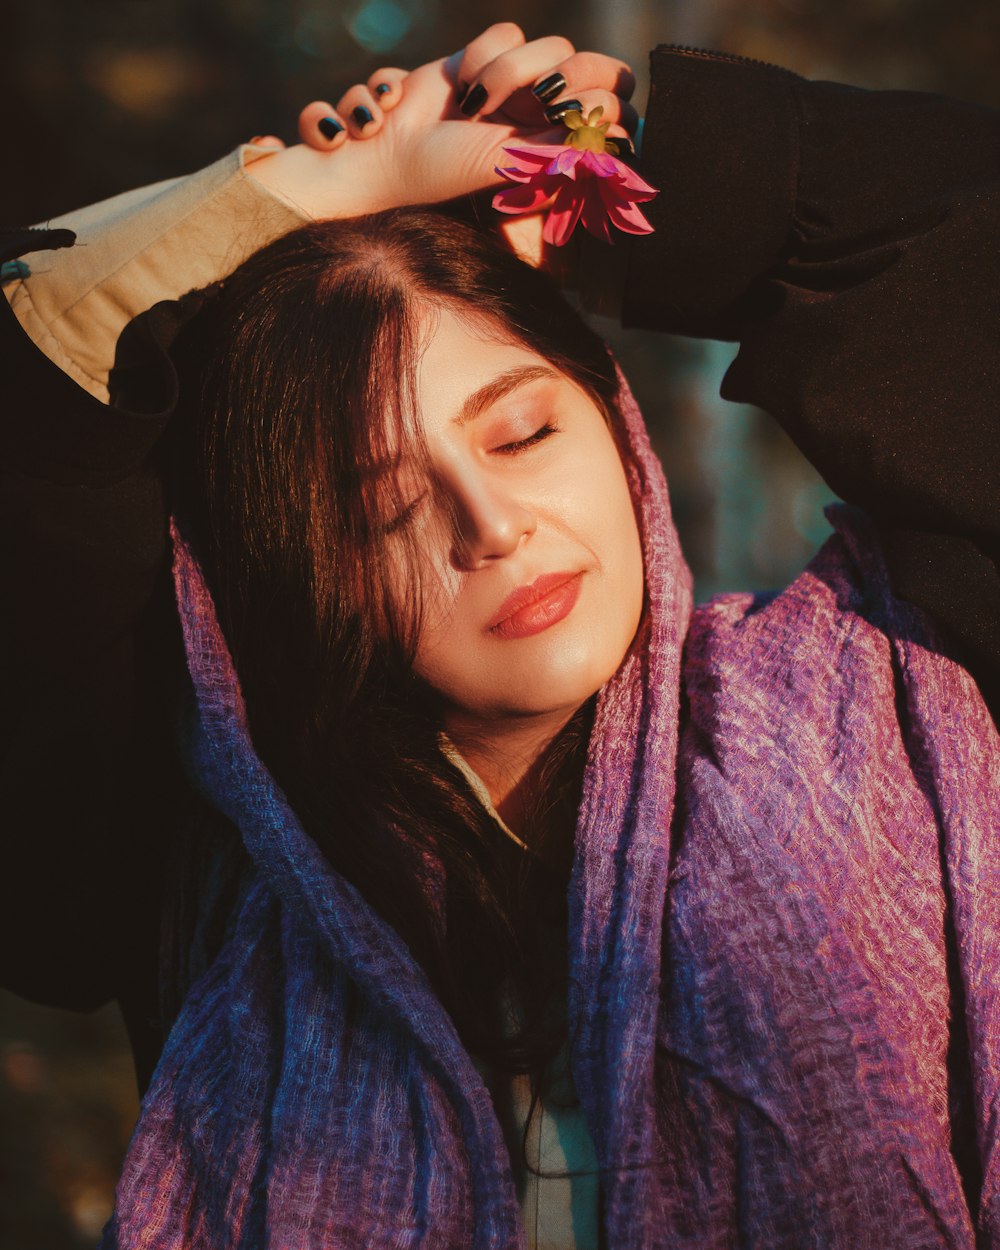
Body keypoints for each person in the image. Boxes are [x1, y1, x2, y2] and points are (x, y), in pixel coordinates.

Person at [2, 22, 997, 1250]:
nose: (491, 526)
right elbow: (34, 415)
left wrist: (625, 162)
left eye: (521, 433)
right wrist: (307, 193)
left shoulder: (897, 689)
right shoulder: (217, 854)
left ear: (612, 420)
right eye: (381, 506)